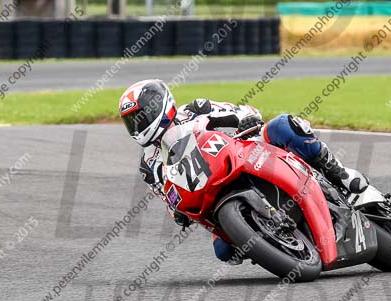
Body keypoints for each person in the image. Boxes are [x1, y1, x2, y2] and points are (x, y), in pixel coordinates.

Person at [119, 79, 369, 264]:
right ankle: (277, 244)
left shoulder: (195, 109)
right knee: (224, 252)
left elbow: (244, 111)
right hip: (210, 192)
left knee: (283, 125)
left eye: (141, 117)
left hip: (244, 149)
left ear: (159, 106)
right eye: (132, 121)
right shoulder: (148, 164)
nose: (138, 125)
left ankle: (339, 173)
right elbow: (167, 197)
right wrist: (178, 214)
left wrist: (246, 120)